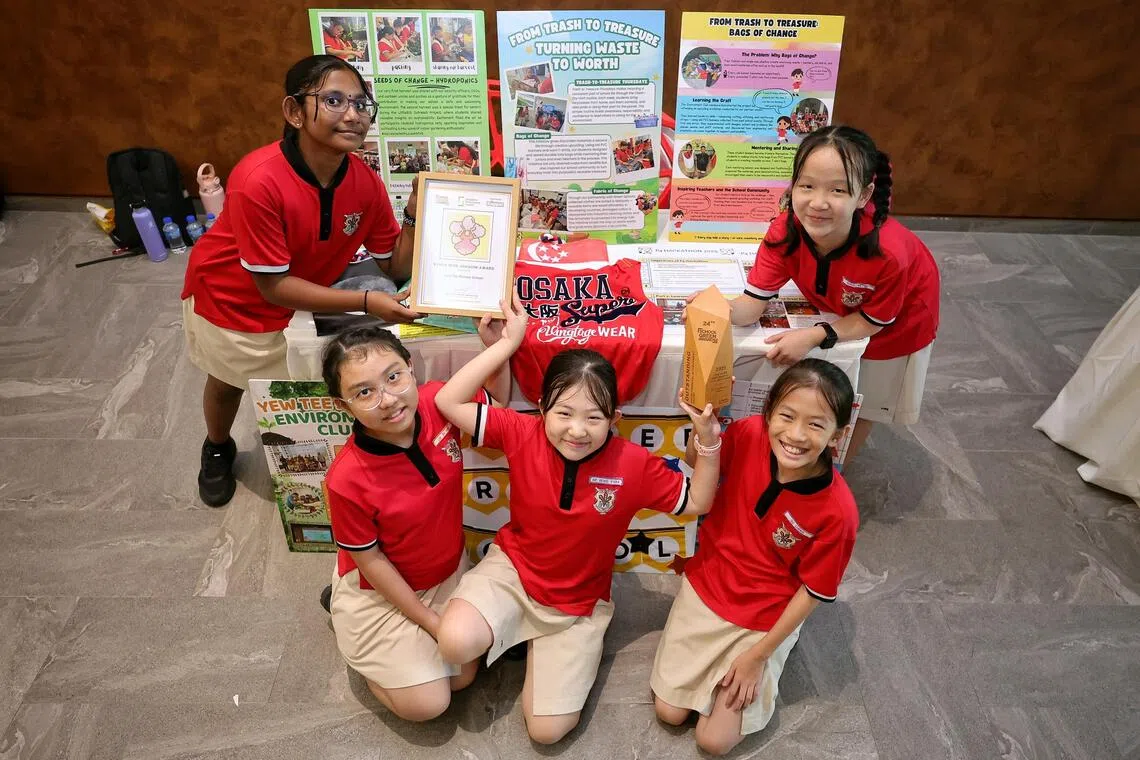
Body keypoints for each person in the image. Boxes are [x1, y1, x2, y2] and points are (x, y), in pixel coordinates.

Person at [431, 296, 722, 744]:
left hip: (577, 604)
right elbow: (449, 401)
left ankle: (540, 644)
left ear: (616, 419)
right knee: (454, 644)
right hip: (514, 573)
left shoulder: (635, 464)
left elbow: (698, 501)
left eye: (594, 417)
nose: (577, 430)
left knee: (547, 732)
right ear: (543, 408)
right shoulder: (520, 431)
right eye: (563, 413)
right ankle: (507, 632)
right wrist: (505, 346)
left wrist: (707, 443)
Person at [180, 55, 422, 507]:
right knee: (228, 379)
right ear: (294, 112)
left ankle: (320, 456)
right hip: (232, 300)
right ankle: (217, 447)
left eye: (361, 103)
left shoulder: (364, 182)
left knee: (310, 383)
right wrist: (367, 301)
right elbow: (271, 287)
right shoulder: (258, 179)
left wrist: (413, 210)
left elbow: (396, 267)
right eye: (333, 100)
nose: (353, 114)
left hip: (306, 295)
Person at [651, 359, 859, 755]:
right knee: (668, 711)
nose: (796, 435)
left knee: (714, 741)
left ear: (838, 434)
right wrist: (705, 434)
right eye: (787, 416)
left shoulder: (839, 511)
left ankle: (781, 646)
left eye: (816, 425)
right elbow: (696, 474)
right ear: (767, 413)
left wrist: (757, 657)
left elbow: (814, 590)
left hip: (764, 616)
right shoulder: (747, 434)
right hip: (709, 583)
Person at [320, 320, 511, 721]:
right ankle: (345, 612)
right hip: (383, 589)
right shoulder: (345, 479)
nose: (388, 399)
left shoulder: (438, 400)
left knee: (461, 677)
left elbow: (495, 401)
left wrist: (493, 346)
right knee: (429, 706)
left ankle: (414, 653)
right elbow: (370, 561)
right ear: (343, 405)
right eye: (364, 392)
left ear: (411, 367)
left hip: (445, 570)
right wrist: (431, 623)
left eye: (394, 377)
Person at [729, 125, 939, 461]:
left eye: (838, 190)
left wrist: (815, 336)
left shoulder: (889, 253)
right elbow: (752, 303)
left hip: (899, 323)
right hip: (841, 308)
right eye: (807, 186)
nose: (818, 202)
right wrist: (717, 310)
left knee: (865, 402)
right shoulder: (784, 231)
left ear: (864, 195)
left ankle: (834, 479)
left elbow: (873, 320)